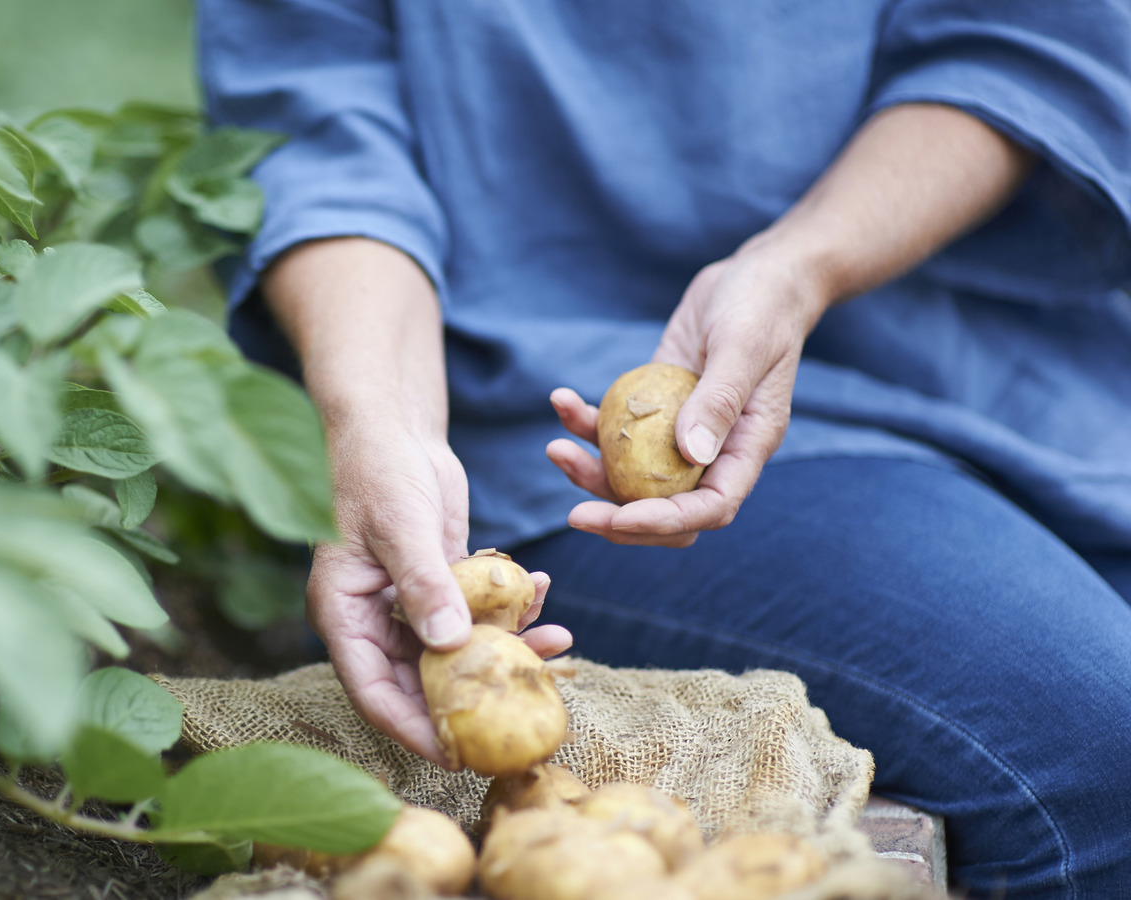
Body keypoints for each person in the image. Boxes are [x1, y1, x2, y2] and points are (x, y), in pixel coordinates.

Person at [195, 2, 1131, 897]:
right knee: (1090, 740)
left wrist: (800, 266)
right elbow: (317, 125)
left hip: (997, 353)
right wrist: (378, 423)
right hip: (519, 402)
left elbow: (1024, 47)